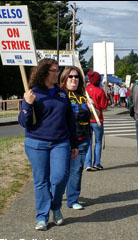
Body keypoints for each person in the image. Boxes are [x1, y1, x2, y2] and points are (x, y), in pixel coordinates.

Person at [18, 58, 79, 231]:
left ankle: (56, 206)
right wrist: (27, 105)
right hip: (36, 143)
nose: (57, 73)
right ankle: (42, 217)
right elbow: (24, 122)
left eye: (57, 70)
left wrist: (74, 144)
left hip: (60, 143)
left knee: (60, 178)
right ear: (44, 72)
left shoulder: (62, 95)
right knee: (41, 181)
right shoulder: (32, 93)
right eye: (53, 70)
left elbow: (70, 122)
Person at [60, 66, 93, 210]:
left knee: (76, 170)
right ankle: (55, 194)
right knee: (60, 171)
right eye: (71, 76)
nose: (74, 79)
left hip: (82, 139)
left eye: (77, 77)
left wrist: (93, 108)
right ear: (64, 78)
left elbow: (95, 116)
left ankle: (72, 199)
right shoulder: (59, 96)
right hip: (62, 140)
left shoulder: (83, 97)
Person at [85, 71, 108, 171]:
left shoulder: (85, 90)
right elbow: (104, 105)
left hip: (86, 119)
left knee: (88, 142)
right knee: (98, 142)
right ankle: (97, 163)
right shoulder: (100, 91)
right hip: (98, 119)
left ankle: (88, 164)